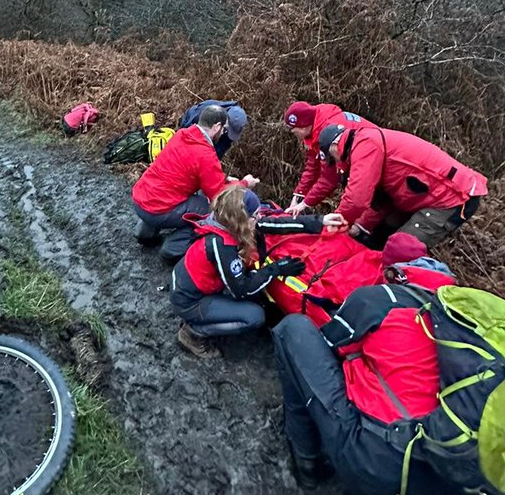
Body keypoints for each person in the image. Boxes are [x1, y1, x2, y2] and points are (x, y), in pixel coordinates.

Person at [272, 232, 467, 495]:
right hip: (456, 481)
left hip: (382, 462)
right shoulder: (463, 322)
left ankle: (307, 462)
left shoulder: (380, 300)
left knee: (293, 332)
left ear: (394, 272)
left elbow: (330, 343)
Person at [170, 186, 346, 357]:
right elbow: (241, 290)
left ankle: (206, 315)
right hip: (190, 300)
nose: (259, 217)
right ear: (242, 219)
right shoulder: (220, 245)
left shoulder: (226, 221)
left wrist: (320, 221)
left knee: (253, 296)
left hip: (194, 284)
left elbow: (274, 224)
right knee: (254, 316)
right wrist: (275, 269)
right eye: (255, 215)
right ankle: (193, 332)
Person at [315, 121, 488, 249]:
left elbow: (356, 200)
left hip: (452, 197)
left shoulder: (366, 146)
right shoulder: (364, 143)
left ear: (335, 146)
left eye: (332, 159)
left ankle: (390, 292)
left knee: (398, 250)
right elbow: (379, 200)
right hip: (419, 196)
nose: (335, 163)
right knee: (377, 236)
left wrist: (335, 225)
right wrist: (360, 227)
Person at [131, 104, 260, 263]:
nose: (224, 134)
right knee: (208, 208)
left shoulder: (182, 135)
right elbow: (220, 195)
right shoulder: (206, 154)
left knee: (163, 191)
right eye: (224, 130)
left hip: (140, 198)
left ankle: (144, 233)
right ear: (216, 127)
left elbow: (188, 170)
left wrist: (224, 178)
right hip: (158, 210)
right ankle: (173, 249)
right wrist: (246, 183)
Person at [283, 102, 371, 215]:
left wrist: (304, 204)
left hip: (375, 158)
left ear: (304, 126)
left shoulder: (328, 133)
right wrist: (298, 195)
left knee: (363, 205)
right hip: (367, 158)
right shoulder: (315, 124)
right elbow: (313, 166)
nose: (292, 133)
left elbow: (329, 179)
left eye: (293, 130)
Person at [179, 100, 247, 161]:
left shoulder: (235, 122)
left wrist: (214, 164)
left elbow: (222, 148)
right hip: (190, 122)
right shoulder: (204, 112)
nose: (227, 132)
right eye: (226, 130)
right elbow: (187, 136)